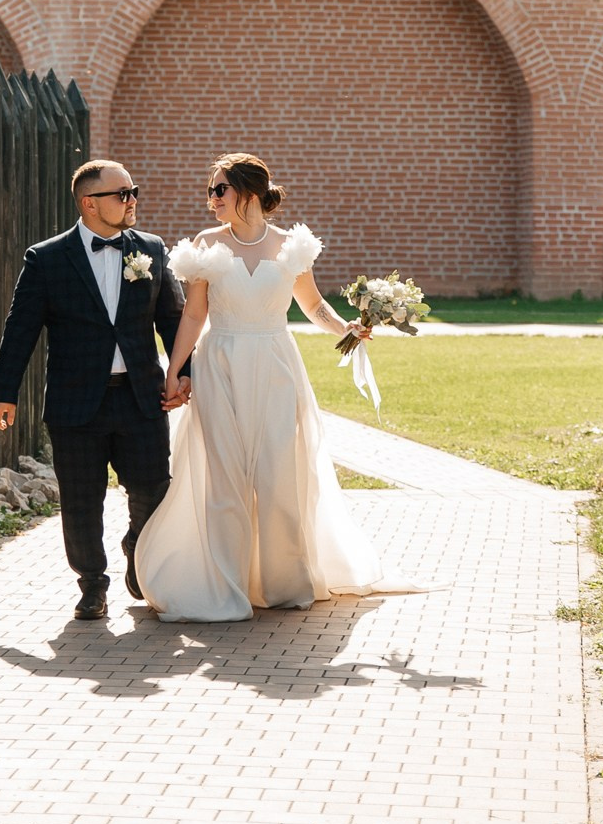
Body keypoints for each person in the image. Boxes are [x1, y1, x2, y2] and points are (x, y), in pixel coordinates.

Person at [132, 153, 412, 622]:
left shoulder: (290, 246)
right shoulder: (205, 244)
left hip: (276, 366)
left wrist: (348, 328)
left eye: (219, 189)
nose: (211, 200)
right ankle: (225, 587)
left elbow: (313, 304)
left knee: (278, 475)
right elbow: (195, 316)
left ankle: (282, 584)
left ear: (248, 191)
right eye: (210, 191)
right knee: (224, 481)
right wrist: (175, 369)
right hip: (220, 365)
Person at [0, 158, 190, 621]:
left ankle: (139, 552)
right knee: (82, 501)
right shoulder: (47, 258)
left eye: (133, 191)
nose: (132, 200)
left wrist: (185, 372)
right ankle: (92, 585)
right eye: (123, 194)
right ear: (89, 203)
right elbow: (20, 329)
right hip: (75, 404)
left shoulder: (152, 251)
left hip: (141, 397)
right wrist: (5, 391)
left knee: (154, 490)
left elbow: (174, 320)